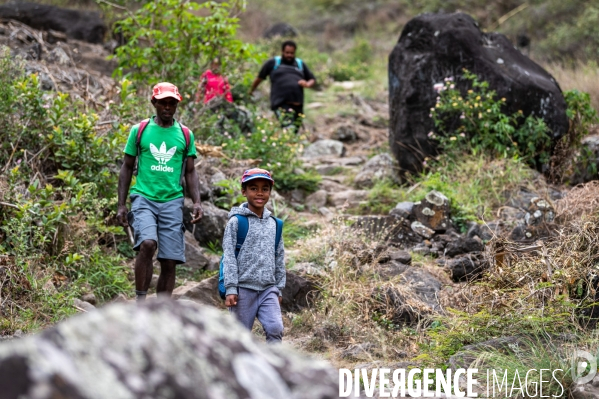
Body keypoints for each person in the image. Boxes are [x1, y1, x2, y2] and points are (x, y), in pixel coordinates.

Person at [117, 82, 203, 301]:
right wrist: (121, 205)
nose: (167, 107)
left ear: (176, 105)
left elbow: (191, 172)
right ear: (153, 102)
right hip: (144, 198)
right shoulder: (140, 131)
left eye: (171, 103)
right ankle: (140, 303)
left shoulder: (185, 134)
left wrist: (197, 202)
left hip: (172, 201)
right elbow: (127, 167)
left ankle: (161, 311)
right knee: (147, 244)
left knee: (169, 259)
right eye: (163, 102)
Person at [222, 168, 285, 343]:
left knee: (275, 329)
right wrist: (231, 288)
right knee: (240, 337)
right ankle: (235, 369)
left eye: (265, 189)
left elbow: (279, 257)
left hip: (268, 289)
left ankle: (275, 367)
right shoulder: (236, 222)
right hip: (243, 290)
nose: (260, 193)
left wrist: (279, 287)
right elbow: (229, 257)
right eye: (253, 188)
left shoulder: (275, 224)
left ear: (270, 192)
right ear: (244, 191)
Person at [249, 40, 316, 130]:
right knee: (288, 127)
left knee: (295, 129)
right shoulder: (273, 63)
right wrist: (251, 91)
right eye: (287, 53)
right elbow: (259, 78)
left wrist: (307, 84)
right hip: (280, 103)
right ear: (282, 51)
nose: (289, 55)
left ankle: (289, 143)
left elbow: (312, 79)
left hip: (297, 105)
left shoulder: (300, 64)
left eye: (292, 53)